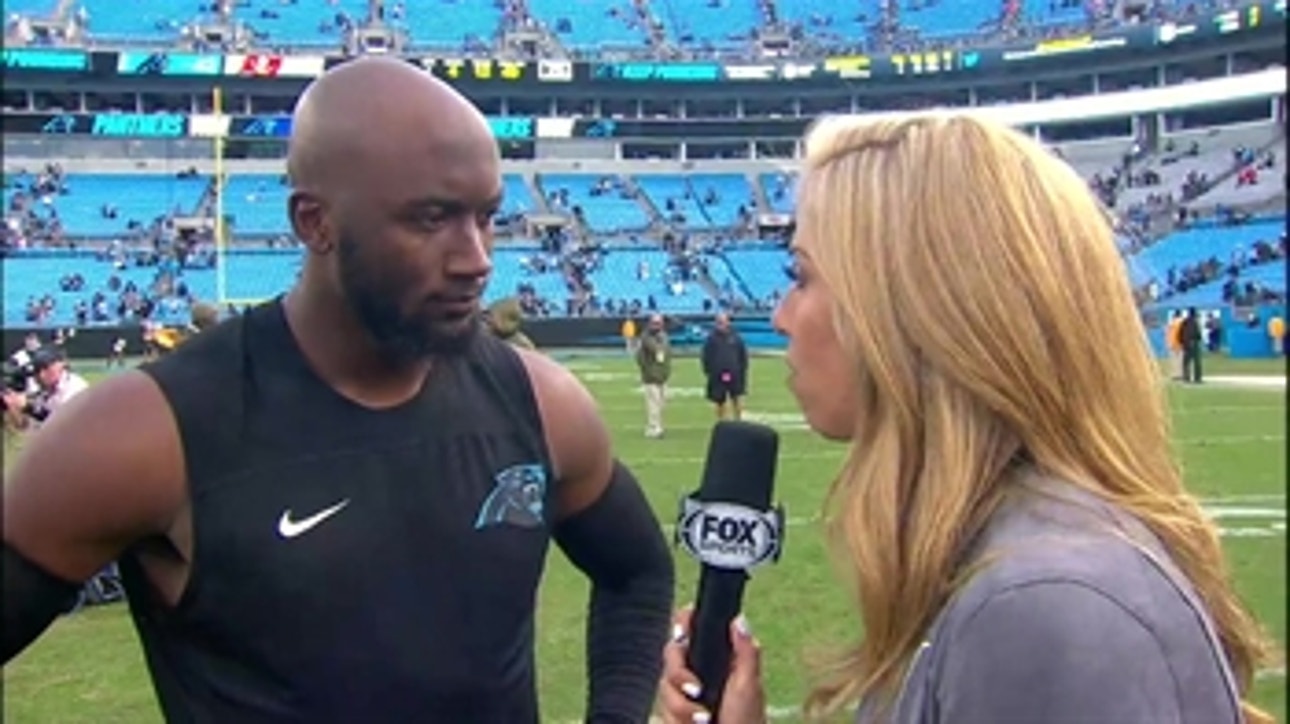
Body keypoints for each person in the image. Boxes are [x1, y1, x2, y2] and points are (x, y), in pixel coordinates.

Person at [3, 57, 674, 723]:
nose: (477, 258)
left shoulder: (540, 403)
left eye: (486, 216)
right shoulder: (149, 433)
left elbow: (637, 573)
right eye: (431, 219)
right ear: (314, 223)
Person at [658, 113, 1274, 723]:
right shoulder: (1006, 560)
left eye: (803, 276)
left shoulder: (1041, 606)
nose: (783, 314)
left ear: (915, 307)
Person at [1, 347, 90, 432]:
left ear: (60, 365)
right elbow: (25, 426)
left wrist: (28, 407)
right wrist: (13, 406)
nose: (41, 375)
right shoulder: (46, 390)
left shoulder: (74, 387)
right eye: (37, 370)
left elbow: (63, 425)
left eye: (46, 368)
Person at [700, 313, 748, 420]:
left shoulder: (736, 337)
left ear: (728, 322)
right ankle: (722, 421)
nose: (721, 324)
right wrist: (709, 371)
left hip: (735, 374)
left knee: (737, 397)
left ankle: (738, 420)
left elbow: (742, 354)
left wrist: (742, 370)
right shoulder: (711, 339)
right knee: (719, 400)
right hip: (717, 374)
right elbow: (706, 356)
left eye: (723, 321)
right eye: (719, 321)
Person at [635, 313, 672, 438]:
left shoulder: (663, 336)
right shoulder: (646, 338)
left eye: (660, 323)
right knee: (653, 403)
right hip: (651, 376)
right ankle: (653, 428)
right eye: (655, 323)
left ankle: (657, 425)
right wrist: (647, 371)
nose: (658, 325)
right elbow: (653, 350)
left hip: (663, 375)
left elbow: (666, 355)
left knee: (662, 403)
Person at [1181, 306, 1204, 383]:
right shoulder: (1195, 321)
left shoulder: (1185, 321)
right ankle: (1197, 378)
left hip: (1186, 343)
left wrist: (1183, 343)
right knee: (1197, 361)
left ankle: (1186, 377)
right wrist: (1199, 339)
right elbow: (1197, 333)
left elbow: (1181, 333)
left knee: (1186, 362)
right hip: (1194, 342)